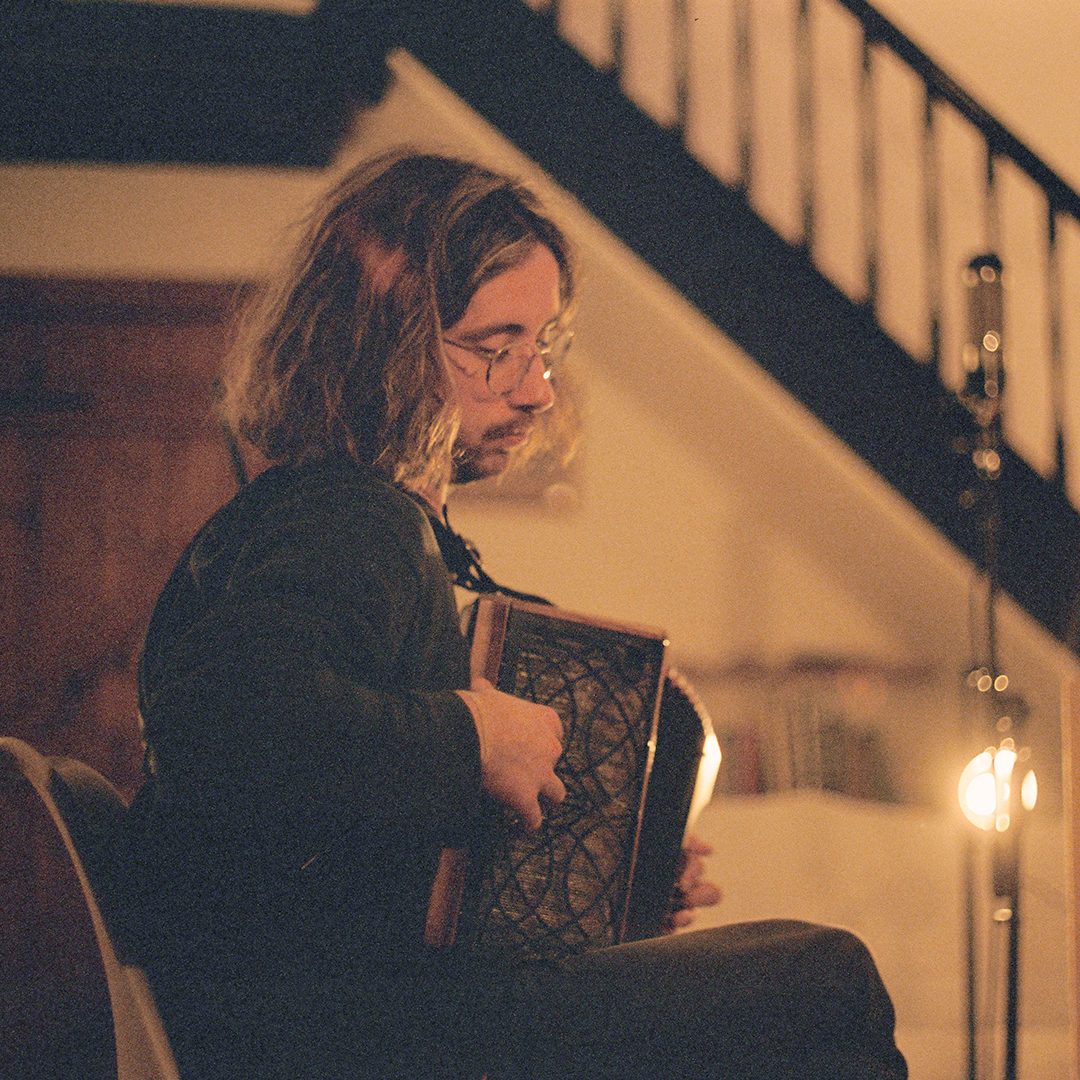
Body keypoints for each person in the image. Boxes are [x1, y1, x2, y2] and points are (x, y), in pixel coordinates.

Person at [122, 150, 907, 1079]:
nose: (536, 388)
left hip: (354, 1019)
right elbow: (221, 723)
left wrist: (610, 882)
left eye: (542, 346)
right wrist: (474, 741)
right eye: (496, 347)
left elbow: (356, 836)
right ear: (383, 338)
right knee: (828, 979)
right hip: (355, 1037)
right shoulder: (349, 517)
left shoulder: (348, 516)